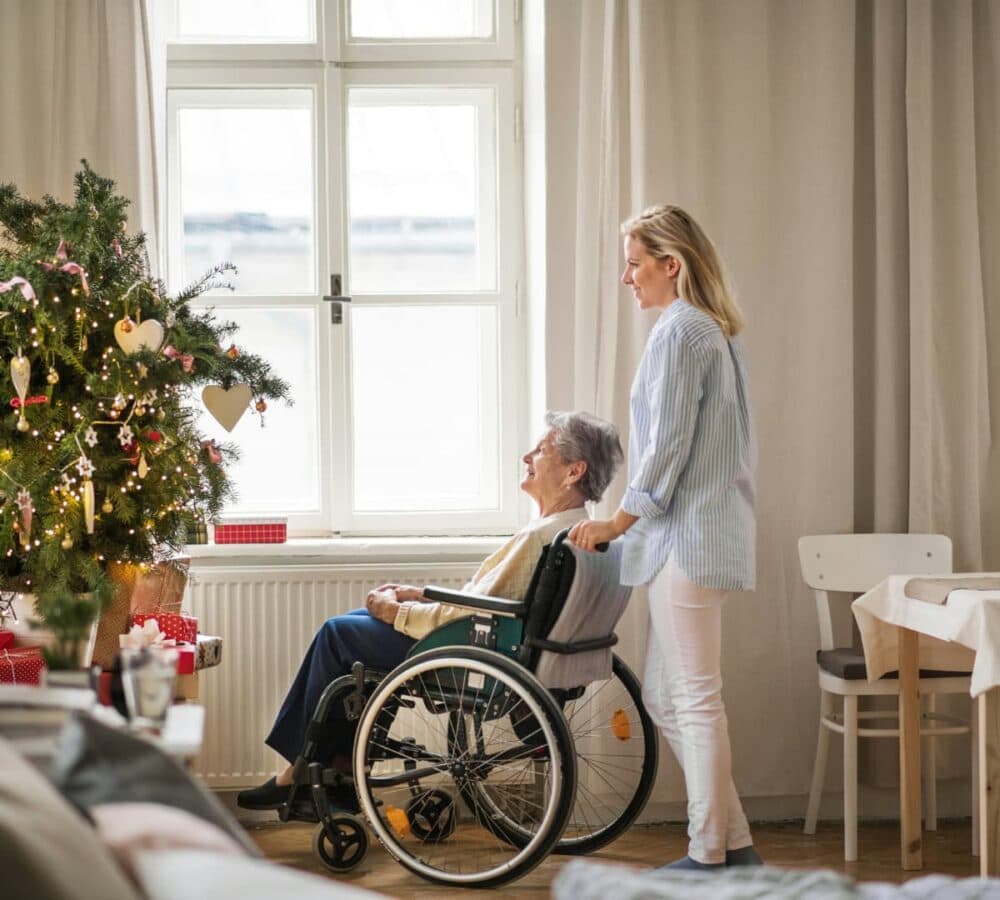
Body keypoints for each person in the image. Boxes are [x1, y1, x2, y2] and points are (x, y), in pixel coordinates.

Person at [237, 410, 624, 813]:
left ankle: (300, 773)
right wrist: (418, 595)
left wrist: (396, 613)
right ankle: (335, 770)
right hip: (495, 642)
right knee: (353, 626)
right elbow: (490, 598)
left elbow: (474, 613)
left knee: (338, 634)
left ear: (573, 471)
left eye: (542, 450)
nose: (528, 456)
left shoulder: (542, 536)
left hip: (474, 654)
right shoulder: (577, 532)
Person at [569, 204, 760, 870]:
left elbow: (666, 444)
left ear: (669, 264)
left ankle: (709, 855)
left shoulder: (683, 333)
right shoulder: (706, 332)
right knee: (663, 696)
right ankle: (732, 844)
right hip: (689, 538)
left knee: (697, 697)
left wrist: (616, 519)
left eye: (633, 263)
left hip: (690, 539)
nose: (627, 278)